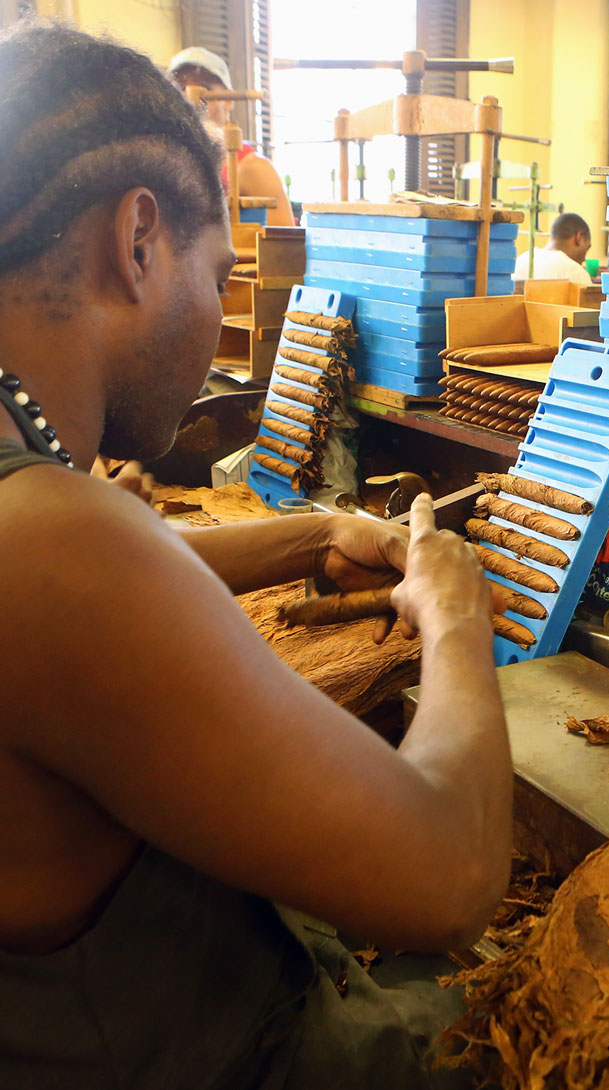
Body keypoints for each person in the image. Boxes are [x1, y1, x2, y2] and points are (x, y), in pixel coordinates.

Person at [0, 21, 512, 1090]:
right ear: (138, 239)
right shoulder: (52, 548)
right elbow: (453, 872)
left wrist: (316, 533)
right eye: (220, 272)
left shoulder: (40, 508)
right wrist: (454, 615)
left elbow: (99, 587)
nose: (217, 311)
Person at [169, 45, 295, 227]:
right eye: (180, 89)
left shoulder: (253, 169)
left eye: (205, 88)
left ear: (228, 100)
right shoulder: (167, 163)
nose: (191, 98)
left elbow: (285, 249)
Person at [513, 211, 593, 286]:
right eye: (587, 248)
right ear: (579, 237)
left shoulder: (521, 260)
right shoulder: (576, 273)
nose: (584, 259)